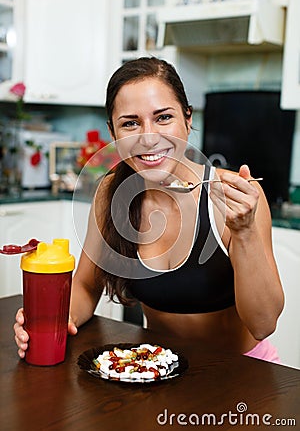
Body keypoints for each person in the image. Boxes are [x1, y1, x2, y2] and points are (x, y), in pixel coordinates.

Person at [14, 57, 284, 363]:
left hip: (241, 374)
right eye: (130, 123)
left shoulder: (237, 198)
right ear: (113, 134)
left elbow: (264, 324)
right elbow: (87, 286)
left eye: (163, 117)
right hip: (156, 370)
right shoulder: (111, 193)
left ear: (188, 118)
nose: (148, 137)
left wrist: (245, 232)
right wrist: (60, 319)